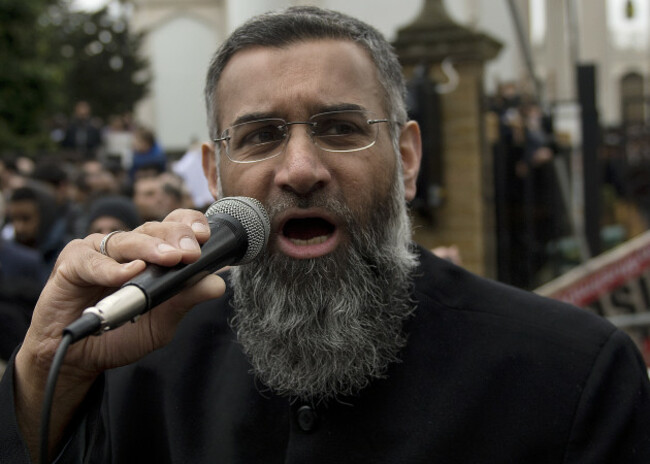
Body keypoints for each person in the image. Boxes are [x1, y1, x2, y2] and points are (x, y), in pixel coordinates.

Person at [1, 7, 649, 464]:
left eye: (341, 128)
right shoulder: (136, 360)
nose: (301, 170)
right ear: (212, 174)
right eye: (260, 136)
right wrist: (42, 366)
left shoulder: (571, 375)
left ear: (407, 158)